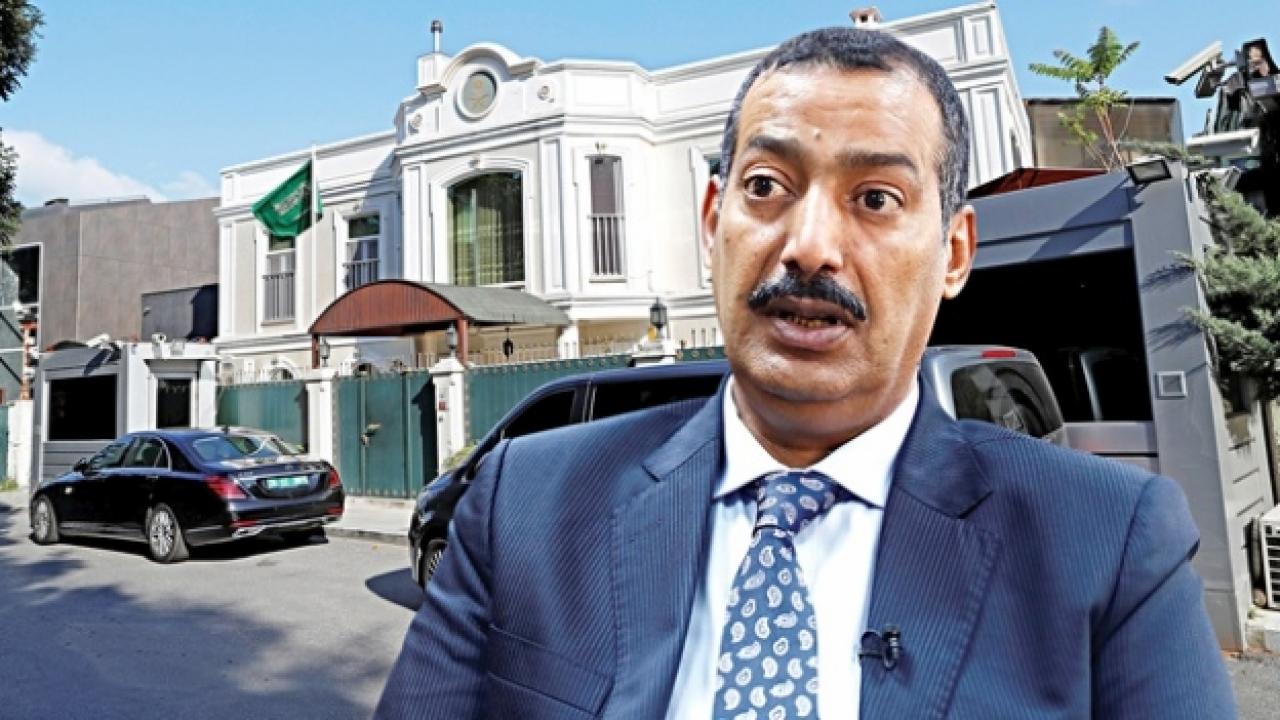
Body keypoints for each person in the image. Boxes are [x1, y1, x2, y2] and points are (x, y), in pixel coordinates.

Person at [377, 27, 1236, 719]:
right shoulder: (525, 504)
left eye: (876, 199)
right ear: (713, 221)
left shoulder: (1109, 543)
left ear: (954, 253)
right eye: (766, 186)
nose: (810, 246)